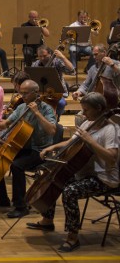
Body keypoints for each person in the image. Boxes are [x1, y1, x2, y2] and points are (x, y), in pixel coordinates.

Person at [26, 92, 119, 253]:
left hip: (105, 177)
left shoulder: (111, 129)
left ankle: (72, 237)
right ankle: (47, 220)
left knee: (70, 191)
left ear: (99, 109)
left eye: (86, 110)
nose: (83, 113)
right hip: (86, 172)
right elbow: (72, 141)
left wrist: (90, 141)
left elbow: (111, 158)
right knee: (55, 178)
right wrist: (52, 147)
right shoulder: (88, 123)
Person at [0, 79, 57, 218]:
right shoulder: (21, 107)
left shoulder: (46, 109)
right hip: (22, 146)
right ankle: (1, 199)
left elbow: (52, 130)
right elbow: (8, 122)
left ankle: (21, 206)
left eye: (26, 93)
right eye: (21, 92)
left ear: (36, 93)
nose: (22, 95)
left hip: (40, 150)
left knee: (17, 166)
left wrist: (37, 113)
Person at [32, 45, 74, 120]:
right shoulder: (35, 64)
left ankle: (56, 119)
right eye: (40, 56)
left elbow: (72, 71)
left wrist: (63, 57)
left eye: (44, 56)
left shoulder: (57, 62)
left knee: (61, 103)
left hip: (57, 93)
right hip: (41, 93)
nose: (42, 58)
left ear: (50, 54)